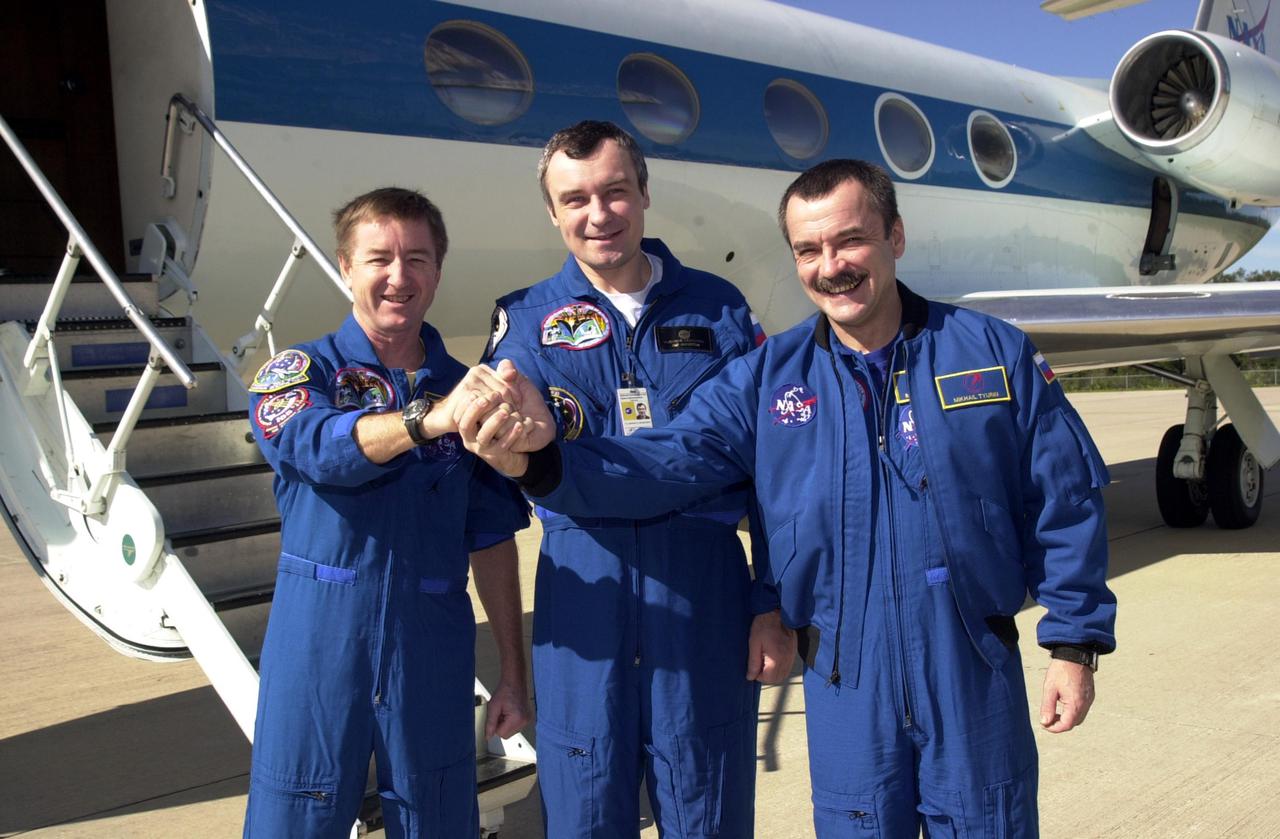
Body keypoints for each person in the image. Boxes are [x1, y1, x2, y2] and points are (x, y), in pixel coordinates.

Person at [466, 160, 1117, 838]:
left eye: (850, 240)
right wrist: (544, 459)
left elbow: (1066, 499)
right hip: (845, 674)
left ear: (895, 236)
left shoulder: (990, 353)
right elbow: (666, 458)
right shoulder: (769, 378)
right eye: (809, 250)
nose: (831, 267)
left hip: (970, 666)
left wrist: (1074, 642)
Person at [479, 120, 794, 838]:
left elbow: (773, 474)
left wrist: (770, 605)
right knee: (584, 811)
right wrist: (512, 669)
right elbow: (495, 494)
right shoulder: (522, 324)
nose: (599, 214)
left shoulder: (721, 310)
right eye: (575, 199)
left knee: (708, 811)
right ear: (552, 212)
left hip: (703, 595)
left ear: (645, 193)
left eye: (616, 191)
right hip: (582, 595)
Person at [242, 187, 531, 838]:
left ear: (438, 271)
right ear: (346, 267)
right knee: (295, 818)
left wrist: (514, 675)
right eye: (379, 259)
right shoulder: (298, 373)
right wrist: (427, 420)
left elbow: (491, 537)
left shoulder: (468, 389)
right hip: (318, 645)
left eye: (417, 259)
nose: (399, 277)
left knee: (438, 818)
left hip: (429, 650)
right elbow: (318, 447)